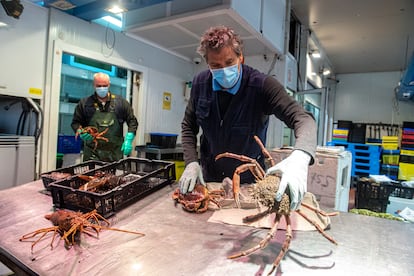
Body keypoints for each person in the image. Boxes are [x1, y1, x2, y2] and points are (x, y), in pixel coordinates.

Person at [179, 26, 317, 210]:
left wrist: (301, 155)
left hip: (250, 183)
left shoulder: (262, 86)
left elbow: (303, 119)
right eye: (216, 66)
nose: (224, 70)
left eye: (229, 62)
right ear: (207, 63)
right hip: (210, 178)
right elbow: (189, 126)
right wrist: (191, 163)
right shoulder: (200, 83)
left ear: (240, 57)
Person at [71, 72, 138, 162]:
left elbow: (132, 121)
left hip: (115, 154)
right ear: (93, 85)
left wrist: (129, 138)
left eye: (104, 85)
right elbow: (75, 123)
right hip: (92, 154)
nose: (102, 88)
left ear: (109, 84)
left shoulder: (121, 103)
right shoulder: (84, 103)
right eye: (99, 86)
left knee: (113, 176)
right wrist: (81, 132)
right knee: (91, 175)